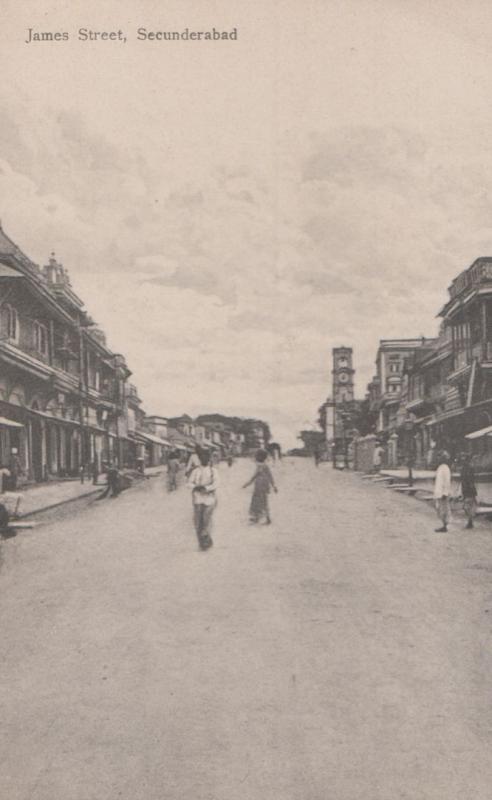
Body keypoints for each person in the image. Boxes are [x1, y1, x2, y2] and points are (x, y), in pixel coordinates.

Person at [188, 449, 219, 550]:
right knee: (198, 521)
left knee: (207, 519)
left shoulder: (213, 471)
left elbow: (216, 483)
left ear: (209, 458)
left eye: (206, 457)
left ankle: (206, 537)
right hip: (197, 499)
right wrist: (195, 487)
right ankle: (201, 542)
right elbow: (189, 483)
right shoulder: (195, 471)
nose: (204, 459)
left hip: (209, 498)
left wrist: (206, 488)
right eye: (202, 457)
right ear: (200, 459)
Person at [243, 449, 278, 525]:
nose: (255, 457)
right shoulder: (264, 466)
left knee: (258, 502)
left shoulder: (261, 466)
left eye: (256, 456)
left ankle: (260, 517)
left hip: (260, 487)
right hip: (262, 487)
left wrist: (247, 484)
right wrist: (274, 486)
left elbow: (254, 477)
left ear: (259, 457)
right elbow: (270, 477)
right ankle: (262, 517)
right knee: (263, 502)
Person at [434, 450, 452, 532]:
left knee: (444, 510)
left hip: (443, 493)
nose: (439, 459)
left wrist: (445, 493)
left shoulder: (446, 468)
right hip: (439, 492)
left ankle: (445, 526)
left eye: (440, 457)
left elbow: (447, 481)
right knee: (439, 509)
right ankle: (443, 525)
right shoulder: (440, 467)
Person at [460, 453, 477, 530]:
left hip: (469, 490)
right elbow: (463, 480)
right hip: (465, 489)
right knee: (466, 507)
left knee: (467, 506)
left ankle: (470, 521)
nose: (463, 461)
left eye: (464, 459)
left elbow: (471, 480)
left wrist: (471, 487)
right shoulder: (463, 468)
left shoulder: (470, 468)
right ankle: (470, 520)